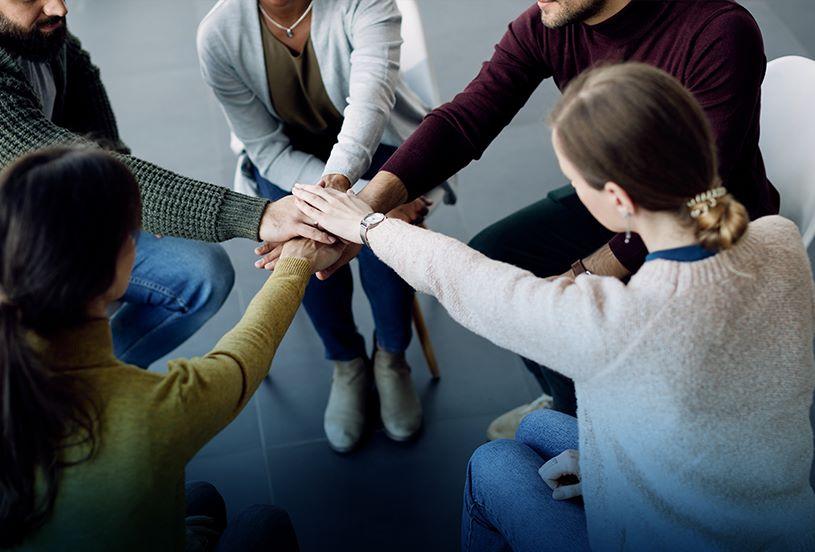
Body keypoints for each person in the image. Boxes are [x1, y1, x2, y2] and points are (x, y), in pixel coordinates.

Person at [289, 63, 815, 550]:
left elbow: (471, 283)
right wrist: (609, 468)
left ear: (619, 199)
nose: (573, 190)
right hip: (773, 517)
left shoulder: (616, 325)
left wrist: (364, 225)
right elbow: (714, 405)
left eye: (574, 179)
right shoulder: (779, 240)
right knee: (538, 431)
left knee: (494, 463)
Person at [261, 0, 779, 439]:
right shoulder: (550, 20)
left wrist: (581, 278)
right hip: (614, 197)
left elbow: (693, 196)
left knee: (548, 311)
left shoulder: (718, 31)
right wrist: (360, 210)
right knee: (499, 255)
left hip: (706, 225)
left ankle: (605, 433)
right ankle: (568, 405)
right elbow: (465, 120)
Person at [0, 147, 341, 551]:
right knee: (263, 524)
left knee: (202, 499)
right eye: (134, 232)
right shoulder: (155, 412)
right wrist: (296, 263)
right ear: (118, 261)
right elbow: (243, 359)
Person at [0, 0, 336, 368]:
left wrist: (135, 209)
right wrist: (260, 215)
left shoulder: (40, 30)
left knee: (203, 274)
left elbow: (89, 111)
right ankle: (67, 391)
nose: (59, 8)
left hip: (63, 209)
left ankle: (90, 378)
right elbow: (80, 175)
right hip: (17, 249)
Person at [197, 0, 432, 452]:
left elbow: (370, 105)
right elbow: (265, 147)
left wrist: (355, 195)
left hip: (374, 143)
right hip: (288, 161)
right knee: (302, 230)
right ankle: (346, 361)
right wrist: (333, 205)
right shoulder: (218, 34)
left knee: (377, 231)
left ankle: (392, 357)